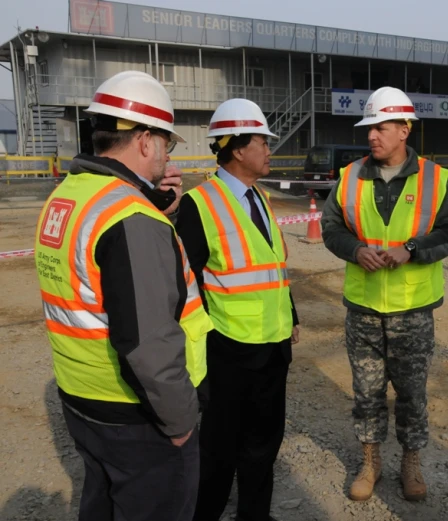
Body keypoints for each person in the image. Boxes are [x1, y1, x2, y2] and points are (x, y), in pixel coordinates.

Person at [33, 70, 212, 521]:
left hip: (83, 400)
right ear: (146, 140)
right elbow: (148, 342)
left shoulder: (67, 196)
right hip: (139, 416)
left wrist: (154, 211)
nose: (167, 156)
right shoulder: (131, 218)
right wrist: (178, 421)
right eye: (167, 144)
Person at [321, 86, 448, 502]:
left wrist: (412, 249)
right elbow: (332, 228)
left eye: (381, 128)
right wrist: (354, 249)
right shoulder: (349, 177)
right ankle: (370, 461)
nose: (372, 136)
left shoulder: (436, 179)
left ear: (405, 129)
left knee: (412, 394)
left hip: (412, 311)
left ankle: (410, 463)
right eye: (369, 128)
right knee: (366, 392)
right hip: (363, 309)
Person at [175, 98, 300, 521]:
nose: (269, 149)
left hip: (272, 348)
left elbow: (270, 263)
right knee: (218, 454)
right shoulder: (198, 205)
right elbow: (184, 289)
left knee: (263, 448)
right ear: (236, 148)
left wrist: (292, 315)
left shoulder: (259, 198)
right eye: (262, 141)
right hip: (227, 354)